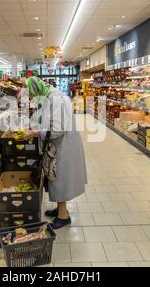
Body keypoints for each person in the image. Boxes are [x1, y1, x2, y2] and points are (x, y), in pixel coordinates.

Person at [25, 76, 87, 229]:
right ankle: (60, 208)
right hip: (60, 144)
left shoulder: (56, 99)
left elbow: (58, 129)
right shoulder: (50, 95)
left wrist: (37, 133)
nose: (33, 98)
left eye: (32, 95)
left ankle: (63, 216)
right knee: (56, 178)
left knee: (60, 179)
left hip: (64, 145)